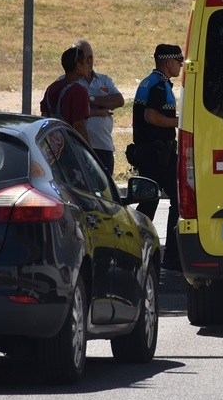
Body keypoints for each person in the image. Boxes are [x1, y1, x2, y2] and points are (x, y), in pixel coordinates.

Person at [132, 44, 183, 271]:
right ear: (168, 63)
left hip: (150, 152)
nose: (182, 64)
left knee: (149, 202)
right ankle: (172, 255)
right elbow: (151, 116)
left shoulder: (148, 81)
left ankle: (133, 251)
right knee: (179, 199)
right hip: (158, 153)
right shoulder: (159, 86)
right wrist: (179, 122)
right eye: (179, 61)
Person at [67, 40, 125, 177]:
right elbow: (71, 113)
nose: (89, 61)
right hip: (77, 146)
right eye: (85, 58)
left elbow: (119, 101)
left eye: (91, 57)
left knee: (105, 189)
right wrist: (98, 110)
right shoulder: (68, 82)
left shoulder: (104, 80)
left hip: (103, 146)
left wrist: (91, 99)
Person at [40, 46, 92, 144]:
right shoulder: (79, 91)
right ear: (79, 66)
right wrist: (89, 153)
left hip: (52, 146)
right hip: (70, 146)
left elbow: (44, 117)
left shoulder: (51, 88)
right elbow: (79, 126)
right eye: (85, 62)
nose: (88, 66)